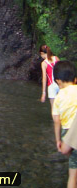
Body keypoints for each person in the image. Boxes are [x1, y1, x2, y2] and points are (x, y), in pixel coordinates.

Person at [52, 60, 77, 188]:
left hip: (68, 132)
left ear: (58, 81)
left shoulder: (59, 97)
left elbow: (57, 120)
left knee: (72, 175)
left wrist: (58, 140)